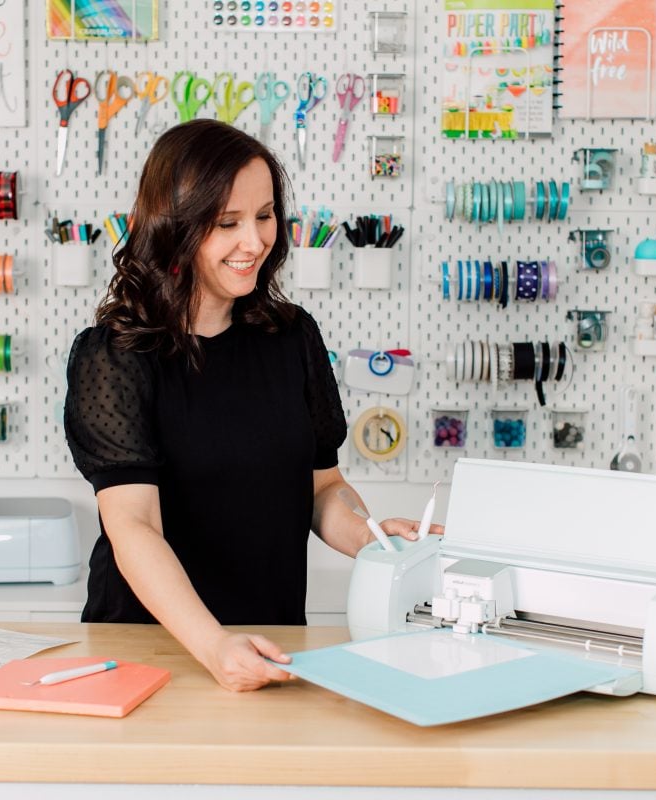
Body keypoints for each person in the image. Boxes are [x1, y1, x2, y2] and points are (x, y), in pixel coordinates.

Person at [64, 119, 438, 692]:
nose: (255, 242)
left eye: (264, 216)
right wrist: (212, 643)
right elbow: (133, 527)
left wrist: (369, 538)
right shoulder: (114, 356)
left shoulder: (292, 337)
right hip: (149, 647)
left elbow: (321, 488)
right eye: (226, 223)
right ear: (175, 228)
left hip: (269, 639)